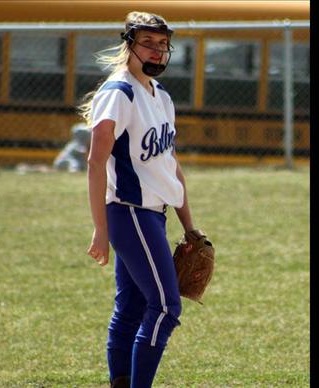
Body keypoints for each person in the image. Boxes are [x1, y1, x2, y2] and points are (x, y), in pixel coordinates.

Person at [78, 11, 195, 388]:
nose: (158, 51)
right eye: (148, 42)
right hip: (129, 213)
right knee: (165, 306)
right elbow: (96, 163)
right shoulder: (119, 93)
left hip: (154, 215)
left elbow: (170, 164)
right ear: (129, 44)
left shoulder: (160, 95)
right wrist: (100, 230)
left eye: (163, 44)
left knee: (130, 308)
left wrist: (189, 225)